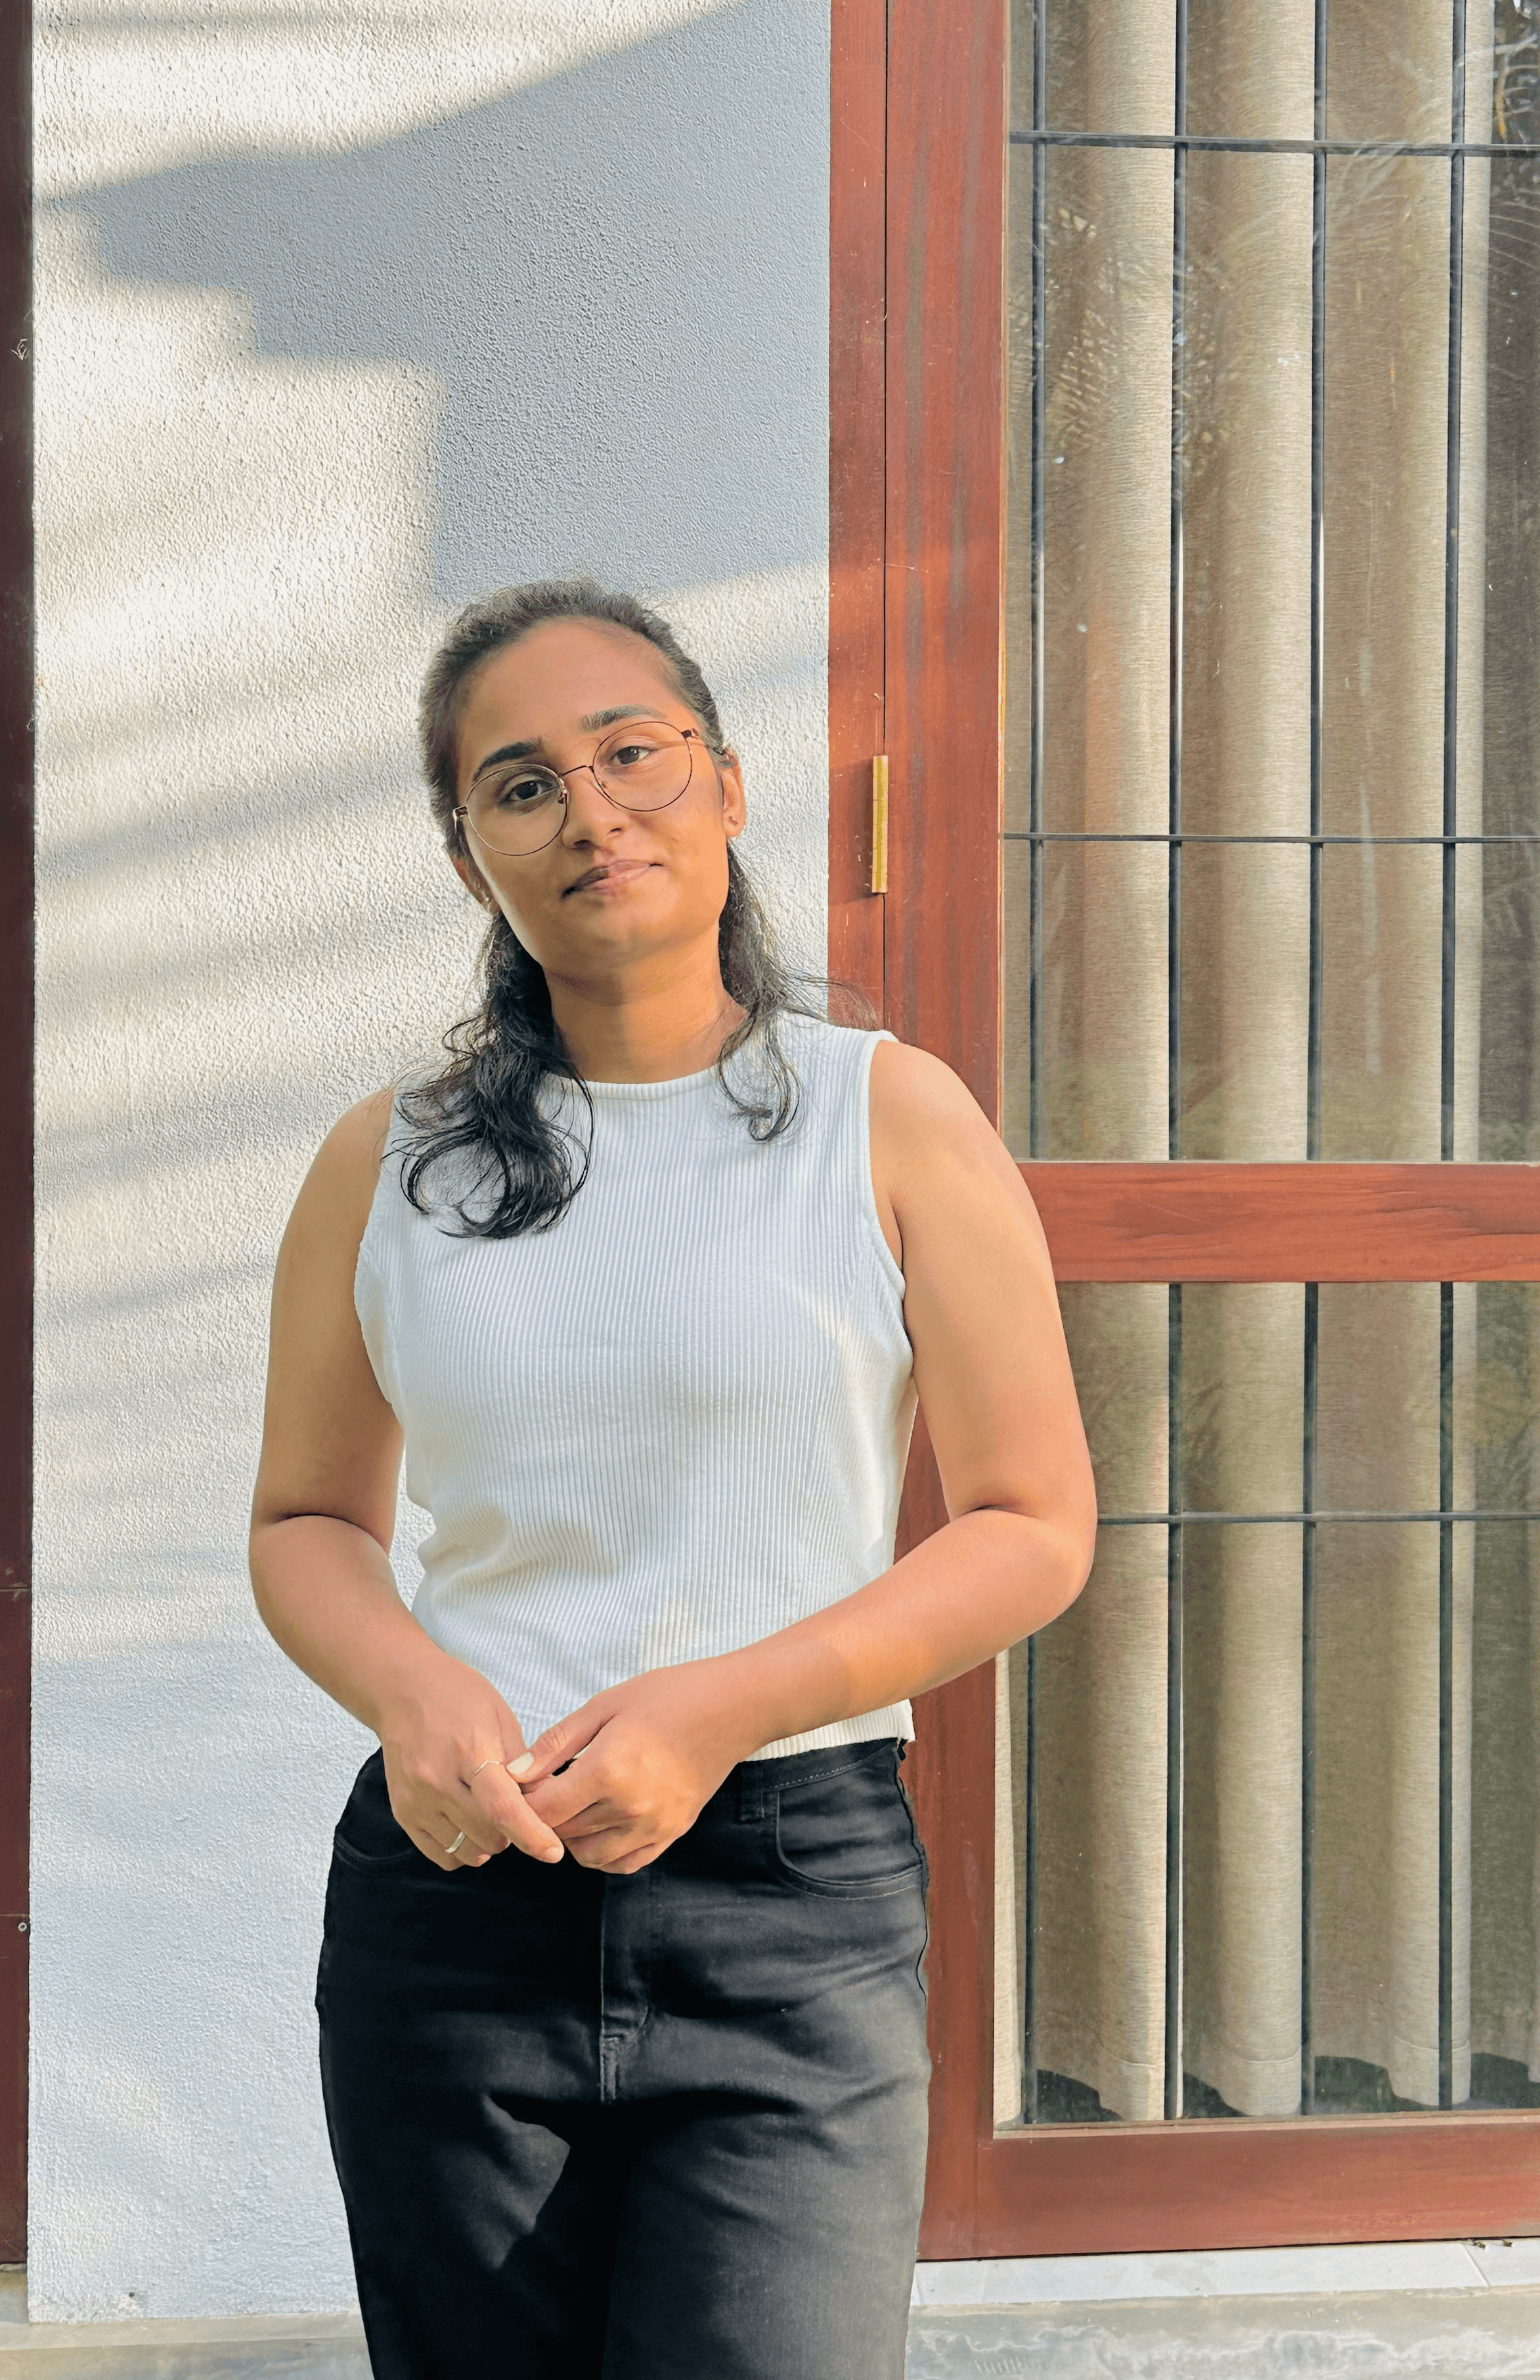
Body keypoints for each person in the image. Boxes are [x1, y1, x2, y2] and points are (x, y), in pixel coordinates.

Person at [249, 579, 1095, 2380]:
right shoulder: (385, 1163)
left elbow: (1032, 1524)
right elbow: (307, 1519)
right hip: (458, 1893)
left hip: (790, 1900)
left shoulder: (890, 1118)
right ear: (470, 855)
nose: (592, 810)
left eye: (633, 752)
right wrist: (414, 1695)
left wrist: (721, 1706)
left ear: (725, 785)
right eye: (523, 784)